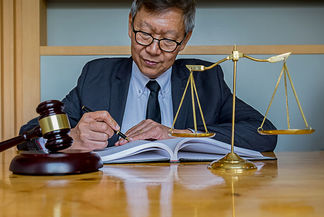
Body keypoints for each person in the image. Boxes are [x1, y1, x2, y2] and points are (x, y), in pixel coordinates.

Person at [19, 0, 277, 152]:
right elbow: (28, 135)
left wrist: (178, 134)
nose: (153, 50)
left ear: (185, 39)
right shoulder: (96, 75)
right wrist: (71, 138)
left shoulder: (205, 79)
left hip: (187, 208)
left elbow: (264, 132)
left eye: (168, 40)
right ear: (130, 25)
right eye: (144, 34)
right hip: (110, 204)